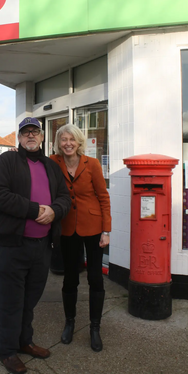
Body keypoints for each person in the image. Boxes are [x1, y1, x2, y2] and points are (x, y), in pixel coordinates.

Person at [0, 117, 71, 374]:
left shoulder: (51, 166)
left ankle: (25, 341)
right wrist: (36, 210)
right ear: (20, 137)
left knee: (29, 299)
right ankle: (7, 350)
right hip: (13, 246)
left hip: (41, 247)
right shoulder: (7, 161)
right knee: (9, 301)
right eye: (26, 132)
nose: (31, 136)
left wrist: (55, 211)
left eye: (35, 131)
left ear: (43, 136)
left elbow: (64, 198)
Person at [50, 123, 111, 352]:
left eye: (71, 139)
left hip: (93, 226)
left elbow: (103, 197)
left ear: (78, 142)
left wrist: (106, 230)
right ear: (58, 143)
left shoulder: (92, 164)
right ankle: (70, 323)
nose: (68, 143)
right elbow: (33, 166)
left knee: (95, 278)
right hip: (67, 228)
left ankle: (95, 328)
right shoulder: (53, 162)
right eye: (63, 139)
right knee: (70, 279)